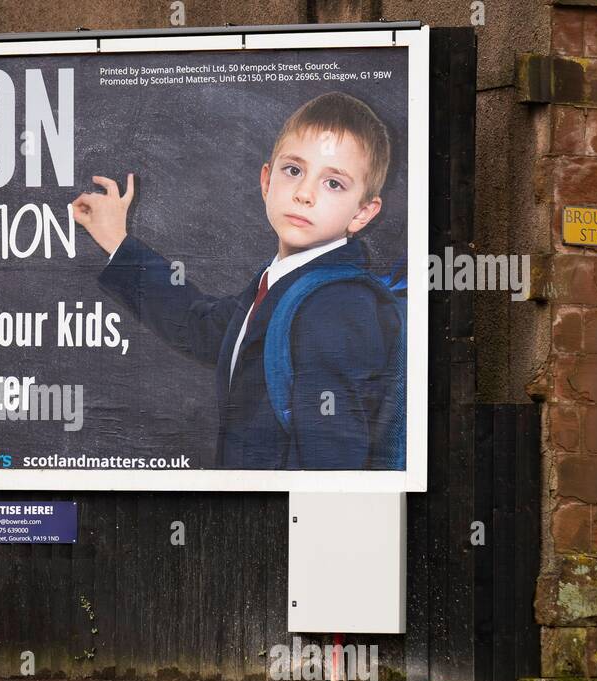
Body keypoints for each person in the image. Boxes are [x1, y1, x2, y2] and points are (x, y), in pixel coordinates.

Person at [71, 91, 403, 469]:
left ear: (362, 213)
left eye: (334, 184)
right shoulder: (281, 282)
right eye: (293, 170)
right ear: (266, 181)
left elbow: (330, 458)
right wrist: (117, 240)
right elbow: (200, 326)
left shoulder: (335, 306)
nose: (304, 194)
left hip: (287, 522)